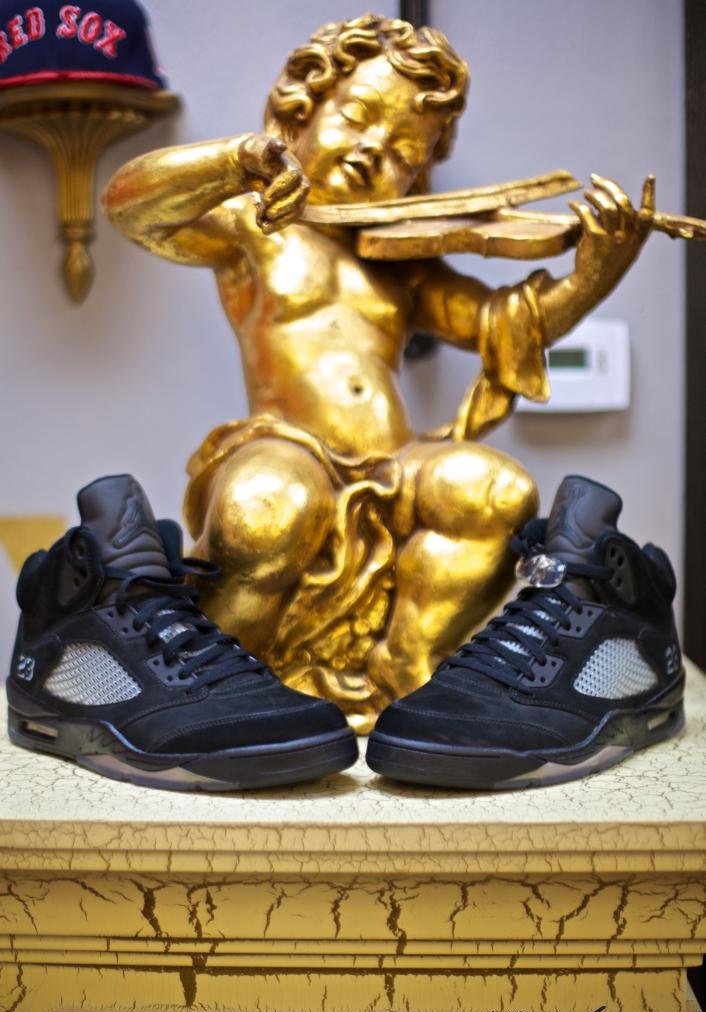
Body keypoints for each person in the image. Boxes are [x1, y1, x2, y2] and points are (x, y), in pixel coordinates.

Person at [103, 14, 654, 727]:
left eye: (403, 152)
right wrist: (238, 160)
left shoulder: (403, 265)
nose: (372, 152)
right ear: (300, 112)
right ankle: (211, 684)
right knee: (266, 507)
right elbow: (132, 207)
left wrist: (597, 273)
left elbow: (507, 322)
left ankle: (409, 667)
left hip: (396, 462)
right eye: (357, 116)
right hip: (289, 445)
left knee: (494, 488)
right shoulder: (254, 225)